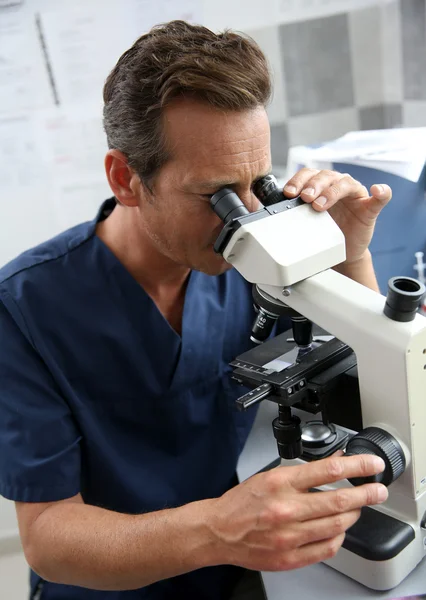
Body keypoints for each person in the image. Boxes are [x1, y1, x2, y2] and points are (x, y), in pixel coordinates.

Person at [0, 20, 392, 600]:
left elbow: (366, 372)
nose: (246, 215)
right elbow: (50, 540)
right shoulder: (24, 308)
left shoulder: (248, 257)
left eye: (258, 183)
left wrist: (349, 252)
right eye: (216, 195)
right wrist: (218, 530)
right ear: (126, 179)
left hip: (246, 568)